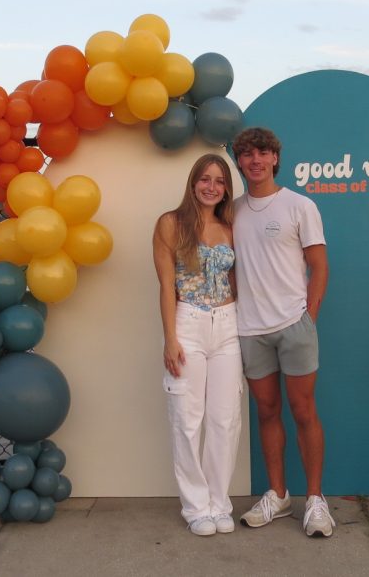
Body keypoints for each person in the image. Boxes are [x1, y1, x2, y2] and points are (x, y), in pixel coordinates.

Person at [231, 127, 333, 538]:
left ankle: (314, 501)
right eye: (247, 154)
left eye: (263, 153)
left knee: (304, 412)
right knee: (267, 413)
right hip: (249, 330)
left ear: (275, 158)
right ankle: (278, 494)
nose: (255, 160)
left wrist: (307, 316)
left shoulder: (298, 206)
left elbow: (320, 266)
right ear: (238, 162)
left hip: (294, 326)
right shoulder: (231, 210)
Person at [152, 153, 243, 537]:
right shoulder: (170, 224)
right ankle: (195, 507)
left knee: (225, 419)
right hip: (188, 322)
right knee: (187, 420)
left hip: (228, 325)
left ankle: (220, 502)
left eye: (220, 181)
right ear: (193, 183)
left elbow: (237, 282)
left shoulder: (230, 226)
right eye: (205, 179)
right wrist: (170, 338)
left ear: (226, 189)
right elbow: (166, 286)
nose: (212, 187)